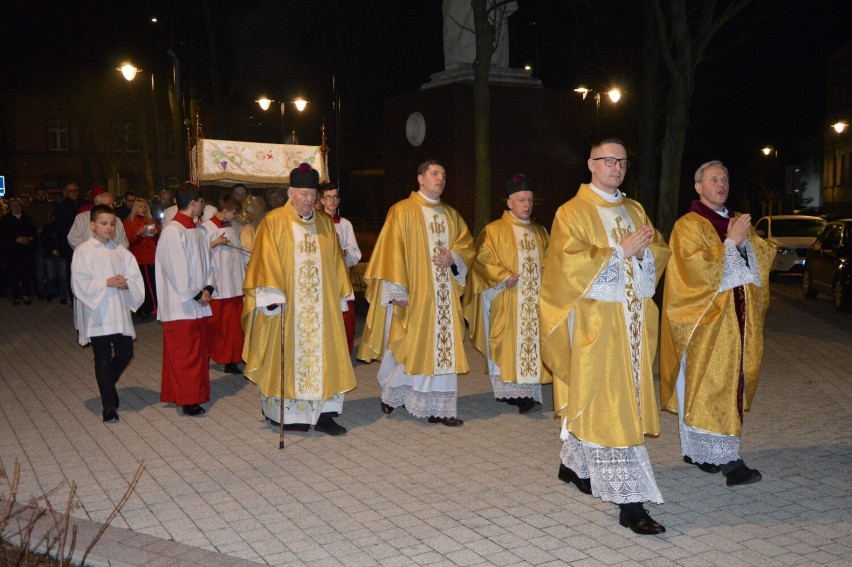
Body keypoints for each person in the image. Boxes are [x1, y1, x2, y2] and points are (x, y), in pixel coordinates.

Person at [539, 138, 671, 535]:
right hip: (596, 329)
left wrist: (643, 254)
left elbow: (658, 250)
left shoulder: (634, 209)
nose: (617, 167)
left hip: (631, 327)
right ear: (591, 164)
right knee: (612, 408)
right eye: (608, 160)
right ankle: (631, 504)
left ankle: (572, 464)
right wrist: (617, 253)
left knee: (607, 401)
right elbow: (565, 266)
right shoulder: (572, 211)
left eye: (623, 162)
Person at [660, 160, 775, 487]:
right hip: (707, 325)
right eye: (713, 179)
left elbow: (762, 261)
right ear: (699, 187)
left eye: (724, 178)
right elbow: (692, 270)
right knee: (712, 387)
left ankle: (701, 452)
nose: (721, 184)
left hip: (738, 325)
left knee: (725, 385)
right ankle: (728, 462)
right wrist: (729, 245)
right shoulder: (688, 225)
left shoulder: (738, 222)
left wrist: (744, 244)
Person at [358, 159, 474, 426]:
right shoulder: (402, 211)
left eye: (443, 174)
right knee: (407, 345)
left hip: (443, 297)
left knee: (442, 347)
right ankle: (392, 394)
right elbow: (390, 252)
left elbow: (466, 246)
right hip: (414, 294)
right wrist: (396, 289)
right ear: (420, 178)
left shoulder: (451, 214)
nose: (440, 178)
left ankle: (440, 408)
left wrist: (454, 258)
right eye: (435, 173)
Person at [242, 163, 356, 436]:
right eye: (302, 193)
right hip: (288, 307)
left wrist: (339, 297)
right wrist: (271, 298)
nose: (308, 199)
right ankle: (287, 414)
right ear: (290, 193)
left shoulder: (325, 224)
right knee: (286, 359)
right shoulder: (274, 222)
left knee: (326, 356)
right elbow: (264, 262)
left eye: (311, 193)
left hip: (322, 309)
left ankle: (325, 414)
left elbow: (336, 263)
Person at [464, 174, 550, 414]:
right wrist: (502, 276)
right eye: (521, 200)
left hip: (535, 302)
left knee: (532, 346)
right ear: (509, 202)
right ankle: (510, 393)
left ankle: (526, 392)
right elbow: (482, 260)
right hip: (508, 299)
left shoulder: (541, 232)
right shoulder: (494, 230)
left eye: (530, 200)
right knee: (506, 345)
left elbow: (554, 256)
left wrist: (549, 267)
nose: (526, 205)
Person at [71, 205, 144, 422]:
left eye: (112, 223)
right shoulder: (83, 251)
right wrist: (106, 282)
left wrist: (126, 285)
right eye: (104, 223)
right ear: (92, 225)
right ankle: (108, 406)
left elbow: (135, 277)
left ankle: (107, 385)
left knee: (125, 352)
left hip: (118, 310)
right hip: (98, 312)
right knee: (102, 358)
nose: (109, 228)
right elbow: (79, 282)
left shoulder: (121, 251)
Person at [155, 183, 215, 417]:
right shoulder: (173, 231)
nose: (204, 206)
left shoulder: (199, 231)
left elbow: (209, 263)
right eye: (202, 202)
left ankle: (178, 392)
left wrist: (209, 287)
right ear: (193, 203)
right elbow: (176, 269)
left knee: (196, 351)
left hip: (198, 302)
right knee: (185, 353)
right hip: (181, 304)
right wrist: (197, 294)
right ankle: (188, 399)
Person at [201, 195, 247, 375]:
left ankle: (232, 359)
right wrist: (215, 243)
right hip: (219, 284)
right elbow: (198, 254)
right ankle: (211, 355)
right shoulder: (205, 228)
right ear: (225, 211)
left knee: (234, 325)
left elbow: (239, 250)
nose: (235, 217)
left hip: (235, 283)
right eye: (234, 213)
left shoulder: (232, 227)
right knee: (217, 325)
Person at [319, 183, 362, 352]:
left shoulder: (345, 224)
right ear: (322, 200)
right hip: (322, 277)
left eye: (335, 197)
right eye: (328, 197)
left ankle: (343, 352)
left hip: (340, 277)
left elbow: (355, 253)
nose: (332, 201)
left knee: (346, 316)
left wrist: (343, 253)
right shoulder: (316, 221)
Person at [123, 199, 159, 321]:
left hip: (152, 255)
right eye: (140, 207)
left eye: (145, 207)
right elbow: (127, 241)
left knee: (152, 283)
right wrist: (137, 233)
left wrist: (156, 233)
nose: (143, 209)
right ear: (135, 208)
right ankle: (144, 309)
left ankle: (153, 308)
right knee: (142, 284)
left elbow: (158, 238)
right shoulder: (128, 222)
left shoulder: (152, 220)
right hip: (139, 256)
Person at [0, 198, 38, 305]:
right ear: (10, 208)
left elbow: (34, 233)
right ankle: (16, 296)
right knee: (13, 274)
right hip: (11, 252)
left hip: (26, 251)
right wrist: (15, 239)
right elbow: (2, 236)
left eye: (18, 205)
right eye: (14, 206)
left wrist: (29, 239)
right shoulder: (4, 220)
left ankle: (26, 294)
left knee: (27, 273)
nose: (16, 207)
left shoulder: (27, 219)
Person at [41, 211, 70, 303]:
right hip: (50, 254)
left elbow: (66, 241)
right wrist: (52, 249)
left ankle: (63, 296)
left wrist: (61, 251)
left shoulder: (66, 227)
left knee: (63, 277)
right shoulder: (48, 227)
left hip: (62, 255)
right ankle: (50, 291)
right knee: (51, 276)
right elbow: (44, 239)